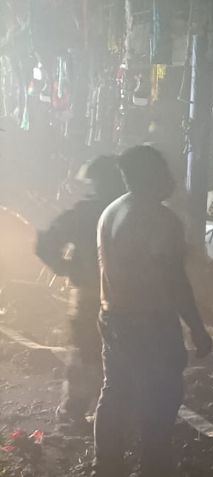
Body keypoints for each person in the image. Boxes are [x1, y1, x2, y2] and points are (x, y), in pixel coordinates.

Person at [93, 145, 213, 477]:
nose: (169, 177)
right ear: (151, 175)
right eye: (163, 169)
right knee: (160, 398)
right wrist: (197, 329)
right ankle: (153, 469)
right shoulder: (159, 219)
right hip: (151, 324)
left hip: (113, 316)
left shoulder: (111, 211)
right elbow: (174, 280)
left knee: (114, 392)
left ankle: (107, 467)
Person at [35, 155, 125, 430]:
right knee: (107, 354)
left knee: (86, 353)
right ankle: (97, 415)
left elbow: (45, 244)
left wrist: (63, 267)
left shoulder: (83, 212)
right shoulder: (128, 212)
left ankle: (76, 413)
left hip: (88, 294)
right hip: (121, 297)